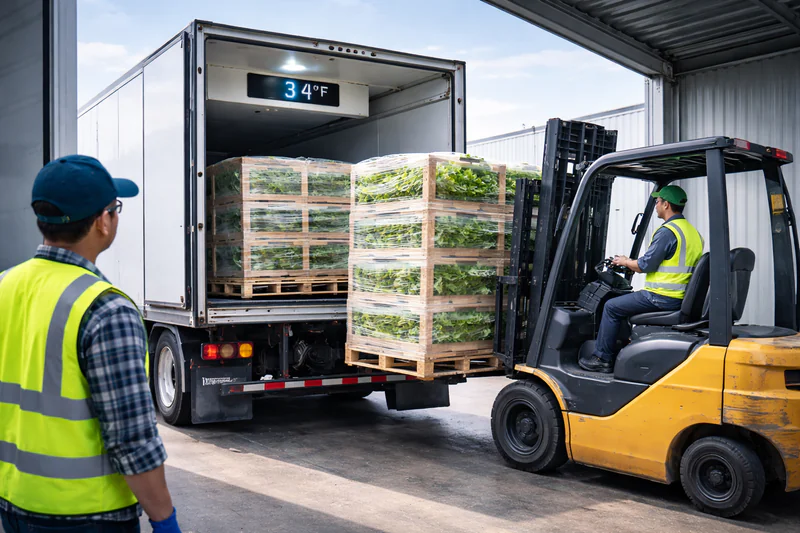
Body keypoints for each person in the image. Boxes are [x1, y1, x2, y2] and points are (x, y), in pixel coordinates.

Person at [0, 155, 181, 532]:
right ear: (103, 221)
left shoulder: (4, 286)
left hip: (14, 504)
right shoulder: (105, 309)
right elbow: (132, 440)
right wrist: (165, 520)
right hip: (87, 516)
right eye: (115, 209)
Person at [579, 185, 704, 373]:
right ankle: (623, 349)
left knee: (611, 307)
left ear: (666, 205)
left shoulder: (668, 231)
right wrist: (629, 262)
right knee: (622, 304)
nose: (656, 204)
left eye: (658, 201)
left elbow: (645, 265)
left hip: (660, 296)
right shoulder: (693, 233)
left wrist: (625, 261)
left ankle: (602, 358)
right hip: (679, 296)